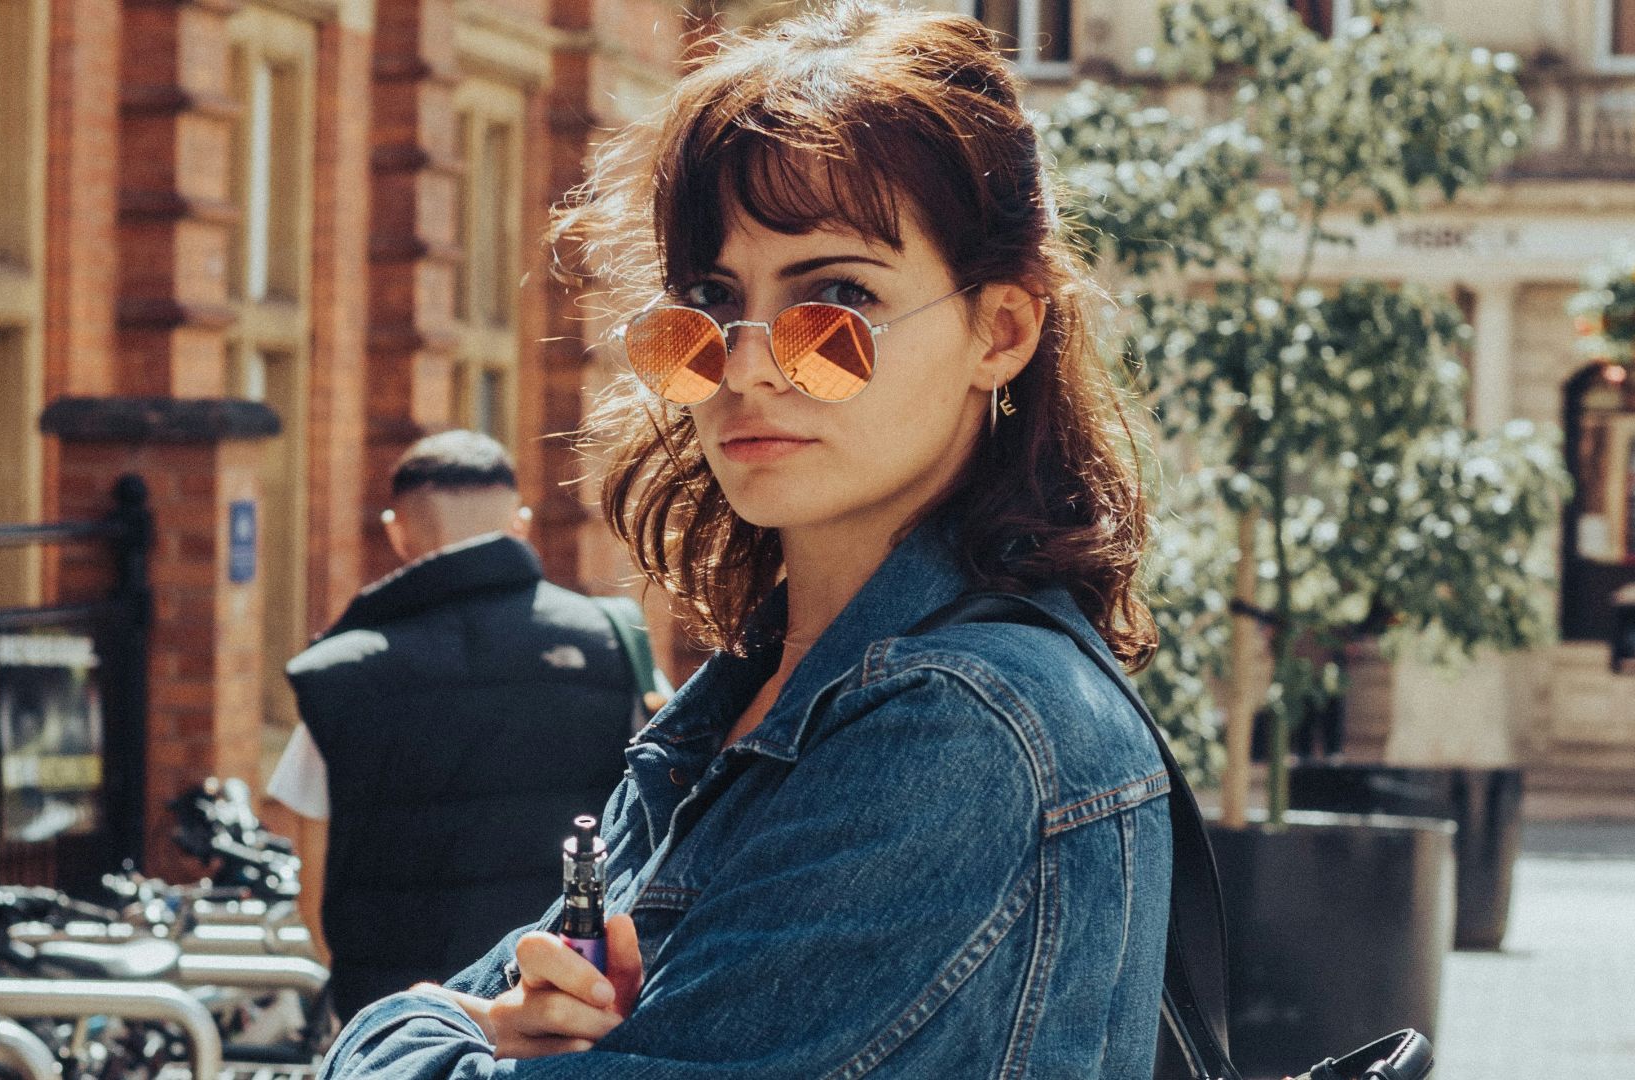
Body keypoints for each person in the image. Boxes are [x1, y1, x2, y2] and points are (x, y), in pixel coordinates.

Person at [318, 2, 1171, 1075]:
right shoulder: (744, 702)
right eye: (710, 305)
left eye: (836, 303)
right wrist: (490, 1031)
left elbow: (421, 1027)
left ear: (999, 329)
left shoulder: (957, 727)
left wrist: (416, 1029)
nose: (749, 365)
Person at [275, 430, 665, 1022]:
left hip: (399, 1016)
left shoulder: (340, 673)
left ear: (396, 530)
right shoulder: (611, 642)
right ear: (522, 522)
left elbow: (308, 869)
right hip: (563, 1003)